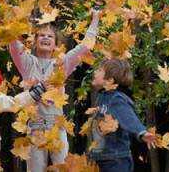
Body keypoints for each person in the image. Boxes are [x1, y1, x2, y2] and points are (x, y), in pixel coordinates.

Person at [9, 10, 101, 172]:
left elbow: (85, 46)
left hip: (56, 127)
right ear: (35, 41)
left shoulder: (62, 63)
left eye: (50, 36)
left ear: (56, 44)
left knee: (63, 169)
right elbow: (13, 44)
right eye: (41, 35)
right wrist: (12, 17)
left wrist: (95, 18)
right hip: (35, 127)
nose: (45, 38)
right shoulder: (27, 62)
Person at [88, 58, 156, 172]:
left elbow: (128, 117)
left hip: (116, 159)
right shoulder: (102, 97)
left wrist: (141, 132)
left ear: (109, 80)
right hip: (105, 159)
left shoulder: (116, 98)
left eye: (99, 70)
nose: (94, 72)